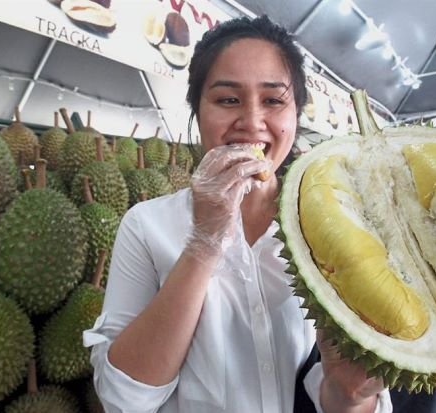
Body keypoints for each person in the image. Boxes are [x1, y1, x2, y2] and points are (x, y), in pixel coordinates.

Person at [82, 14, 393, 413]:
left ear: (296, 114)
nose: (251, 122)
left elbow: (339, 397)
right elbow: (123, 398)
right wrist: (204, 241)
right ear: (197, 111)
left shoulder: (333, 232)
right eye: (228, 99)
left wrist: (351, 394)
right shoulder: (146, 225)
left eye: (273, 100)